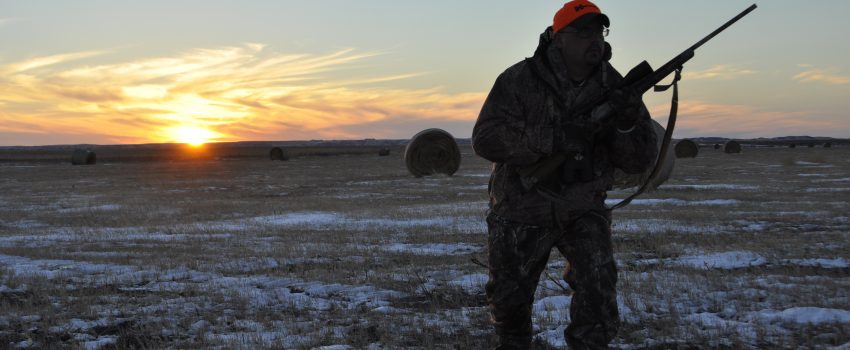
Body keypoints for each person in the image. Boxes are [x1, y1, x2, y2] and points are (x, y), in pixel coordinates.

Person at [471, 1, 658, 349]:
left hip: (583, 206)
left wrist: (627, 123)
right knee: (509, 303)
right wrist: (553, 139)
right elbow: (486, 138)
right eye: (583, 31)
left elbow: (638, 161)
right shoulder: (520, 79)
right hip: (521, 206)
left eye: (599, 31)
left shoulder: (615, 86)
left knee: (598, 292)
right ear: (559, 38)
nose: (595, 39)